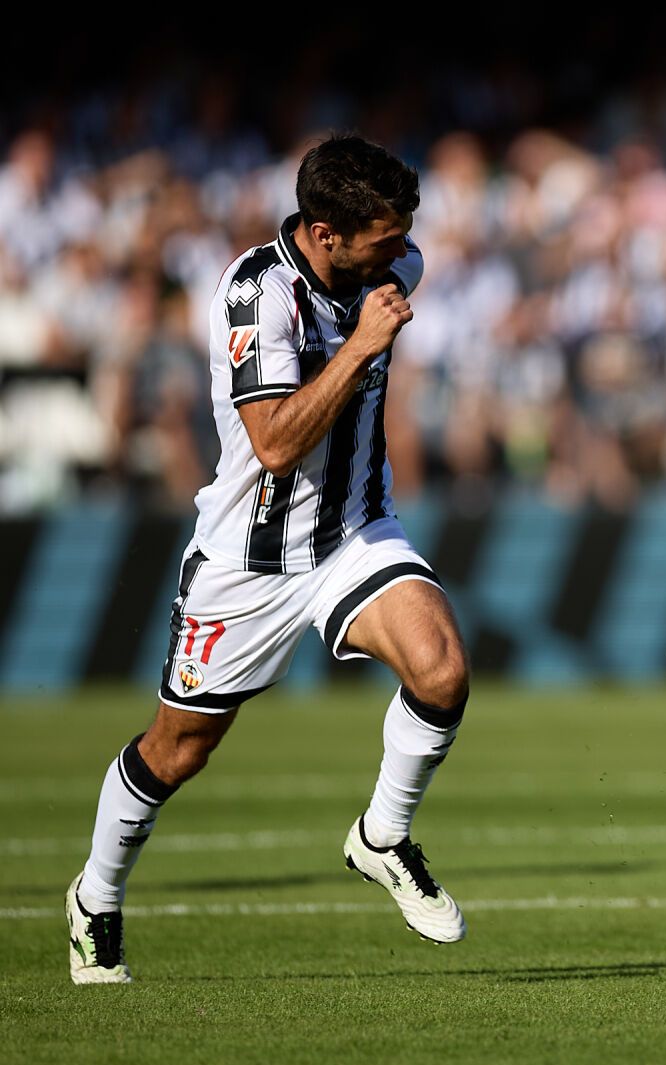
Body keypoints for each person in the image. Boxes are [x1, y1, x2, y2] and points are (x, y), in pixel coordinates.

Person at [65, 136, 473, 984]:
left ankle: (383, 837)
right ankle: (96, 895)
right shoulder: (256, 293)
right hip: (250, 557)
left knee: (440, 670)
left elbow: (397, 270)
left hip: (355, 532)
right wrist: (361, 347)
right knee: (178, 751)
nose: (404, 253)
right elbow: (277, 445)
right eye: (384, 238)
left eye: (404, 235)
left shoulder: (393, 267)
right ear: (325, 234)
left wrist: (378, 304)